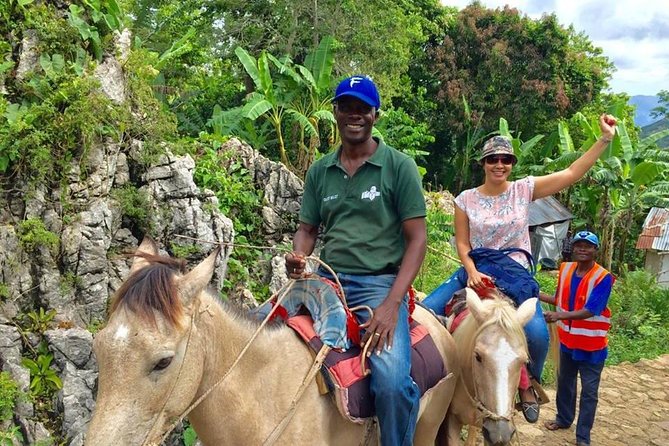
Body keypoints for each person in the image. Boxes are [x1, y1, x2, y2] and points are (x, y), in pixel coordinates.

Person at [422, 115, 617, 423]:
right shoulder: (465, 200)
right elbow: (462, 243)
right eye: (493, 159)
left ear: (512, 162)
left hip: (516, 274)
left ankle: (528, 384)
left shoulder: (524, 190)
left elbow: (571, 172)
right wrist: (471, 272)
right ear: (483, 163)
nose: (499, 165)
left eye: (506, 159)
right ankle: (433, 379)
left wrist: (604, 139)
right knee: (425, 311)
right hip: (478, 267)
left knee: (538, 334)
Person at [285, 75, 427, 446]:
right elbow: (308, 229)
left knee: (392, 384)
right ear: (335, 113)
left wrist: (391, 303)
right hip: (326, 280)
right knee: (260, 330)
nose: (354, 115)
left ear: (375, 115)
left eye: (362, 108)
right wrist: (300, 254)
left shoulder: (398, 167)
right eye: (346, 107)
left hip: (380, 284)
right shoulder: (320, 171)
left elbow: (417, 240)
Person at [541, 231, 614, 446]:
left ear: (595, 250)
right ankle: (563, 419)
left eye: (588, 246)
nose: (583, 249)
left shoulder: (603, 277)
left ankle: (583, 437)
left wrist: (558, 315)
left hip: (592, 346)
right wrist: (537, 294)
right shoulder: (565, 270)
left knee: (589, 393)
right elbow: (560, 299)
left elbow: (592, 309)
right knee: (565, 383)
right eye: (579, 245)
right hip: (568, 341)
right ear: (573, 248)